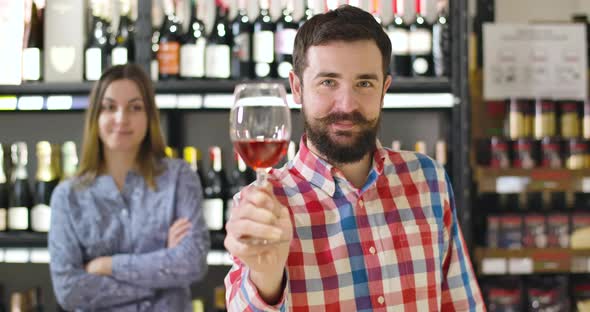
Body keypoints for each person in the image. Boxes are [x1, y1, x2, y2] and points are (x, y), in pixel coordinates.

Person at [224, 5, 484, 311]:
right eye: (328, 82)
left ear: (384, 89)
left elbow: (462, 304)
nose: (346, 105)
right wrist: (266, 278)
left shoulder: (428, 180)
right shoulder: (262, 203)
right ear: (297, 88)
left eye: (364, 83)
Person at [48, 64, 210, 311]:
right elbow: (69, 291)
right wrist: (164, 272)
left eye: (135, 107)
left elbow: (192, 262)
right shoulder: (67, 197)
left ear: (149, 116)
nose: (121, 118)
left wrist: (107, 266)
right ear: (95, 116)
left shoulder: (179, 177)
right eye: (110, 107)